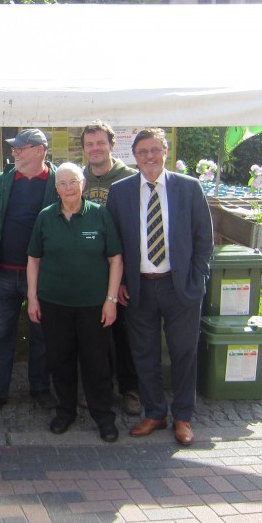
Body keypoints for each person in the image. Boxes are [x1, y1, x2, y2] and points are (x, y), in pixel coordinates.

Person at [106, 128, 213, 446]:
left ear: (165, 152)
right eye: (142, 152)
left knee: (184, 353)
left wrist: (198, 277)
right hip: (139, 288)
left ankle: (182, 417)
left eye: (155, 150)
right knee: (144, 355)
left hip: (180, 287)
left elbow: (203, 239)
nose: (149, 156)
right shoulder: (120, 191)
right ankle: (154, 413)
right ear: (134, 157)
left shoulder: (189, 188)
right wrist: (121, 282)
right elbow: (113, 244)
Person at [26, 163, 123, 442]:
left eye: (73, 182)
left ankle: (104, 417)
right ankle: (65, 411)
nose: (68, 188)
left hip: (94, 305)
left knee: (97, 364)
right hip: (54, 303)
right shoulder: (45, 217)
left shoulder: (100, 215)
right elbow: (34, 258)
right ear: (56, 188)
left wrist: (111, 299)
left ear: (83, 184)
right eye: (62, 183)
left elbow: (115, 259)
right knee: (61, 361)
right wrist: (32, 297)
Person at [0, 128, 57, 418]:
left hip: (43, 276)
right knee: (2, 335)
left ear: (39, 150)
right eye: (15, 148)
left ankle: (40, 388)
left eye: (21, 148)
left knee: (42, 336)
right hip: (4, 273)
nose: (15, 152)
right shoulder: (3, 180)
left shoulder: (58, 181)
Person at [80, 121, 141, 417]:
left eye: (100, 143)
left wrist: (125, 278)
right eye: (89, 144)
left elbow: (135, 232)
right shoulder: (78, 179)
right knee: (95, 337)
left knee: (125, 335)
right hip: (90, 274)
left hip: (122, 273)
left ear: (111, 145)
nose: (95, 149)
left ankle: (130, 390)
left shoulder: (130, 178)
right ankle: (98, 389)